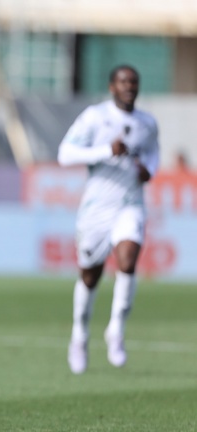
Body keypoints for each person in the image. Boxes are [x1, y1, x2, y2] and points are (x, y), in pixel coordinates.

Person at [58, 65, 159, 374]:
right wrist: (105, 150)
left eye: (134, 82)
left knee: (128, 259)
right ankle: (79, 335)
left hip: (130, 203)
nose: (129, 86)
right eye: (123, 82)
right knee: (90, 276)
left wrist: (148, 171)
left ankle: (116, 329)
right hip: (97, 208)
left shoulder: (147, 123)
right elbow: (65, 154)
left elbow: (153, 155)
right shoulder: (94, 116)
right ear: (112, 87)